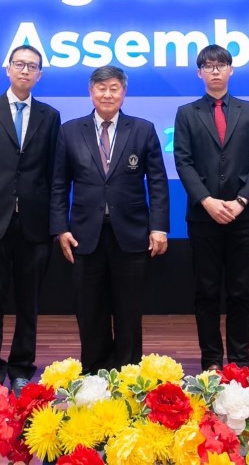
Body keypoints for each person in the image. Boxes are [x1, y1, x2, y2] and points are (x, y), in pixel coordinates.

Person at [51, 65, 169, 373]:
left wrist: (159, 227)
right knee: (90, 309)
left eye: (114, 88)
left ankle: (128, 375)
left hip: (131, 234)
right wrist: (60, 228)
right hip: (84, 235)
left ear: (123, 93)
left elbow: (158, 183)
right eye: (101, 88)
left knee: (129, 310)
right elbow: (59, 184)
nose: (107, 94)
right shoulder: (70, 131)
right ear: (90, 92)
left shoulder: (142, 129)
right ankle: (95, 374)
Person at [0, 45, 61, 394]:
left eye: (32, 66)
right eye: (20, 64)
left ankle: (21, 368)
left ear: (39, 75)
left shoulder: (50, 116)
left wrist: (55, 222)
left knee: (28, 302)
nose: (25, 71)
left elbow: (54, 174)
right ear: (8, 68)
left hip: (35, 223)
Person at [173, 45, 249, 371]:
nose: (215, 71)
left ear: (231, 70)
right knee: (206, 292)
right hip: (204, 216)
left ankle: (240, 363)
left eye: (221, 65)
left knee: (241, 292)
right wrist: (207, 200)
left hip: (245, 216)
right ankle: (212, 361)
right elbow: (183, 162)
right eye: (208, 66)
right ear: (199, 73)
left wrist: (241, 201)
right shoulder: (187, 113)